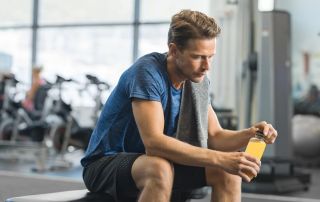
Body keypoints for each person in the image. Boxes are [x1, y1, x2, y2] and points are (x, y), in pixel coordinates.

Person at [81, 9, 278, 202]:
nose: (206, 66)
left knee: (228, 174)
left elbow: (215, 137)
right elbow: (154, 143)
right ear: (174, 50)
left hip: (155, 162)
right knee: (160, 168)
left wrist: (251, 134)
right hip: (105, 164)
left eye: (210, 56)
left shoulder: (197, 81)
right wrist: (222, 158)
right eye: (198, 57)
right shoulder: (147, 73)